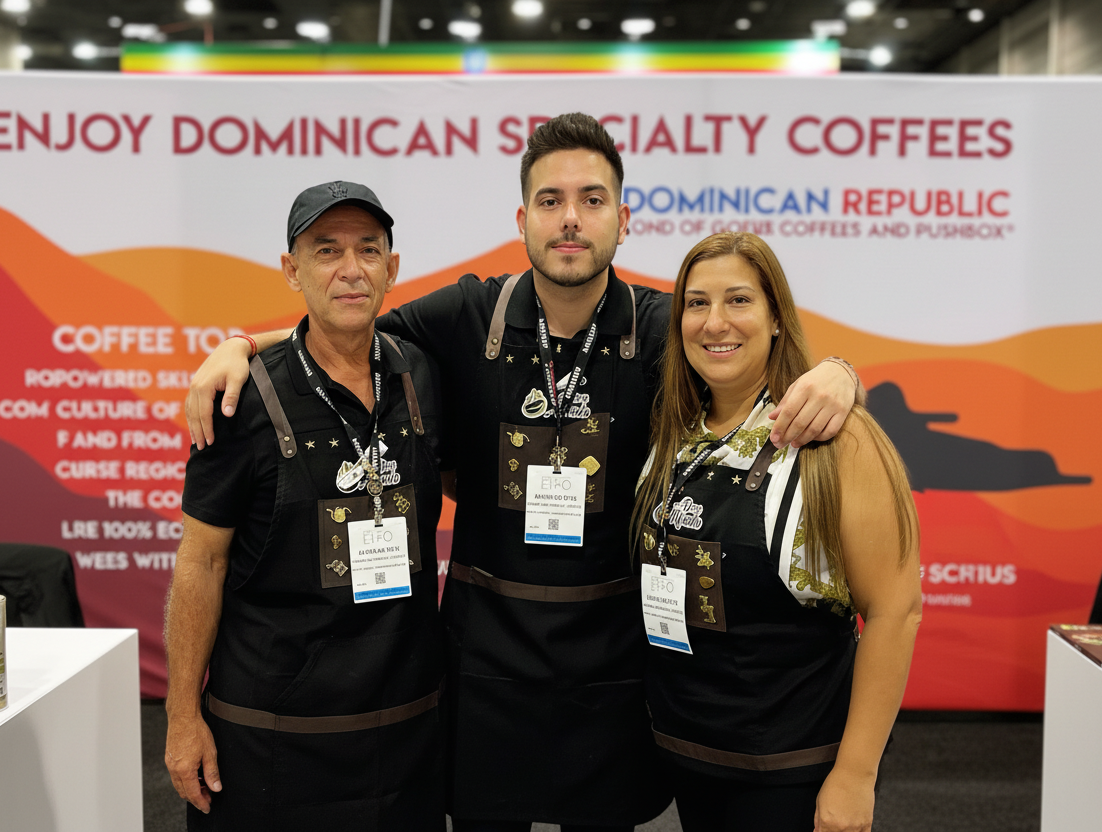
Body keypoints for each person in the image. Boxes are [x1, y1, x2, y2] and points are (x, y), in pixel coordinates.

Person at [183, 114, 862, 830]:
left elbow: (758, 364)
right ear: (522, 219)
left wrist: (842, 375)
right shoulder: (466, 314)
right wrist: (240, 345)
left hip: (612, 668)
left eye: (592, 200)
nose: (571, 220)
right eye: (550, 201)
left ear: (623, 219)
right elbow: (343, 324)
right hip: (484, 669)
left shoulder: (666, 330)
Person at [163, 181, 447, 831]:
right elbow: (200, 563)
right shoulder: (240, 401)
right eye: (326, 251)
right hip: (270, 741)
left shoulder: (422, 376)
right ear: (291, 270)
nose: (351, 269)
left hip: (402, 740)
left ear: (392, 268)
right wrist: (182, 718)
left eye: (368, 250)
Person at [632, 231, 922, 832]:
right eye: (696, 303)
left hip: (793, 771)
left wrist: (855, 775)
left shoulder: (838, 440)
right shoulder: (673, 431)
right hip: (691, 757)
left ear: (776, 320)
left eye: (738, 300)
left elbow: (896, 610)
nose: (715, 323)